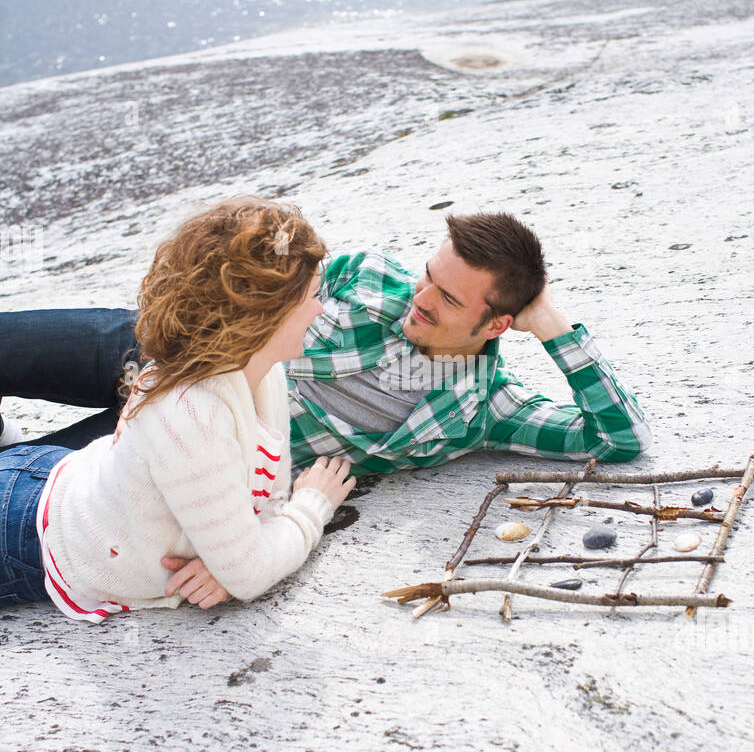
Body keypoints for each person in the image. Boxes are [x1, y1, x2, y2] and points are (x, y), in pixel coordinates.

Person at [0, 211, 651, 479]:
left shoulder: (484, 408)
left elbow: (617, 440)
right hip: (154, 347)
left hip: (189, 432)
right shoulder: (372, 275)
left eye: (449, 300)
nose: (420, 298)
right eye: (431, 276)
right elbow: (264, 280)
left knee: (16, 479)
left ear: (496, 326)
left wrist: (557, 329)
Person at [0, 197, 355, 617]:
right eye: (313, 295)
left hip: (54, 481)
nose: (321, 308)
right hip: (20, 530)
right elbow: (252, 570)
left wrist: (229, 561)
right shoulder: (190, 415)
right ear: (266, 315)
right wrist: (312, 507)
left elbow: (265, 508)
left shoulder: (264, 373)